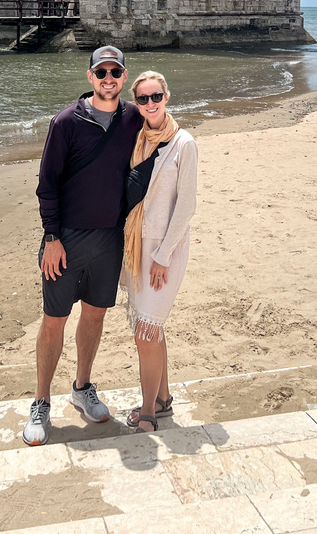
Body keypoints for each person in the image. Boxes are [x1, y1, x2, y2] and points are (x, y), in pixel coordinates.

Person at [22, 46, 142, 446]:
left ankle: (82, 386)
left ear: (124, 77)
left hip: (109, 238)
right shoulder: (65, 122)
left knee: (94, 317)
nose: (109, 79)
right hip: (66, 239)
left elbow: (161, 141)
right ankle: (40, 402)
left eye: (116, 72)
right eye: (101, 72)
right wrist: (52, 238)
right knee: (53, 320)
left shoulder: (132, 119)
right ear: (90, 76)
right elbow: (47, 185)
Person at [121, 70, 197, 434]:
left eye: (156, 97)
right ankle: (163, 398)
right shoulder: (137, 140)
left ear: (167, 97)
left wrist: (164, 256)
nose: (150, 104)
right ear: (136, 104)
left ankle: (149, 411)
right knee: (152, 327)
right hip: (137, 247)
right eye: (143, 99)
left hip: (164, 251)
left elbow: (186, 206)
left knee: (145, 333)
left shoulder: (183, 143)